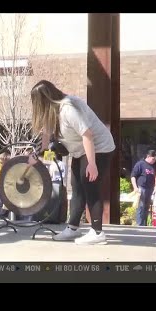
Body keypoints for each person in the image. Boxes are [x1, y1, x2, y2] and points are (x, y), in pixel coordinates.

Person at [27, 80, 115, 245]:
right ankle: (72, 228)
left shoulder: (68, 109)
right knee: (77, 189)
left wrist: (92, 163)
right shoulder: (52, 111)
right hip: (80, 150)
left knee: (90, 187)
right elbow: (46, 136)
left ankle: (98, 233)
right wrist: (37, 155)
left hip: (99, 148)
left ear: (44, 100)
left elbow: (87, 134)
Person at [131, 150, 156, 226]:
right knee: (141, 206)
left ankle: (144, 224)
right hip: (141, 187)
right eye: (153, 159)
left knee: (146, 207)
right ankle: (139, 224)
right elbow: (133, 176)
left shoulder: (153, 166)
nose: (154, 161)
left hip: (150, 188)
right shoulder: (140, 164)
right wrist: (135, 187)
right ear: (148, 156)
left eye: (155, 160)